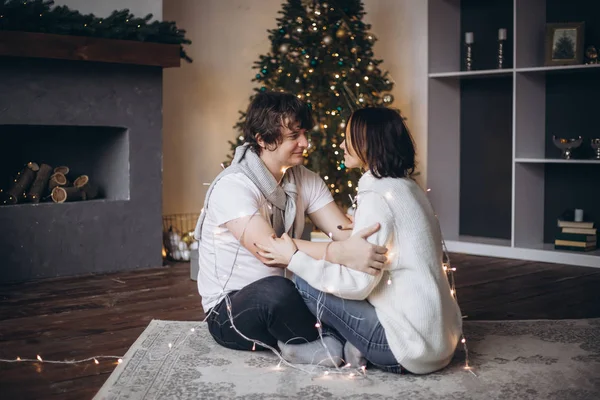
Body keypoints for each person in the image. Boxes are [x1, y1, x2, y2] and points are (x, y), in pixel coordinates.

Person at [256, 107, 463, 374]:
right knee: (319, 272)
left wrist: (294, 258)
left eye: (348, 137)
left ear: (368, 142)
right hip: (440, 342)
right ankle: (353, 345)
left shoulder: (377, 196)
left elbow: (358, 285)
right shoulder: (408, 187)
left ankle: (334, 346)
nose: (342, 144)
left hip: (407, 348)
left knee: (304, 280)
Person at [193, 92, 388, 353]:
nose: (305, 143)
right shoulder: (233, 186)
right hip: (232, 311)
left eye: (304, 133)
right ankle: (333, 341)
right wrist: (340, 253)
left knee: (320, 284)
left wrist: (374, 221)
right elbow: (270, 250)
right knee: (277, 291)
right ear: (263, 139)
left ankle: (323, 342)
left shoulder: (305, 179)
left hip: (293, 297)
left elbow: (344, 233)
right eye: (294, 136)